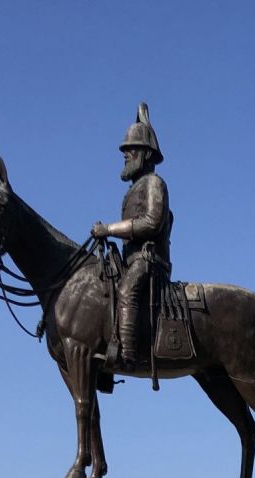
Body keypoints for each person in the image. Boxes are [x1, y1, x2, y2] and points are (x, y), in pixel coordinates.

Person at [91, 102, 173, 369]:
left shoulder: (154, 184)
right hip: (130, 261)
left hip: (150, 262)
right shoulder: (133, 190)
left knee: (126, 291)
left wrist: (109, 230)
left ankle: (128, 356)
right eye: (125, 151)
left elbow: (151, 222)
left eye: (131, 150)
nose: (125, 155)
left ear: (146, 155)